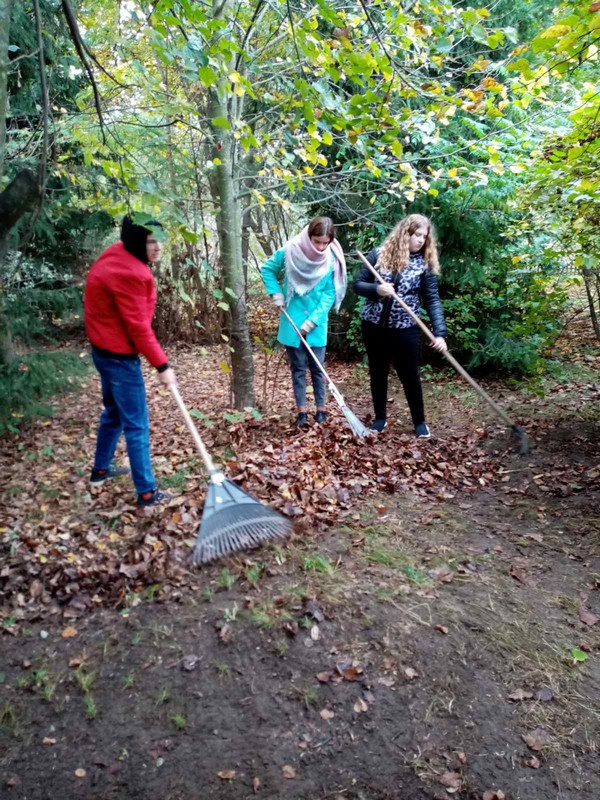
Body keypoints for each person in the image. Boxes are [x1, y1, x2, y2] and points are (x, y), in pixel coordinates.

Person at [84, 215, 177, 506]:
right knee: (136, 425)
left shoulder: (117, 252)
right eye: (150, 241)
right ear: (137, 242)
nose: (157, 247)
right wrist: (162, 365)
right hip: (119, 358)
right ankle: (147, 493)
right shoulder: (133, 273)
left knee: (113, 413)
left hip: (102, 350)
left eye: (158, 240)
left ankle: (100, 469)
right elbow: (138, 328)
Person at [353, 213, 447, 437]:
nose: (421, 240)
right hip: (374, 327)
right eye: (417, 235)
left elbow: (432, 299)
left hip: (405, 329)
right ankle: (380, 418)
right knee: (378, 372)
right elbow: (358, 284)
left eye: (424, 237)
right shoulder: (378, 254)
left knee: (409, 374)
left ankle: (419, 421)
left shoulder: (424, 264)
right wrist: (376, 290)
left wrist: (440, 333)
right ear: (405, 233)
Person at [261, 216, 347, 428]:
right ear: (309, 236)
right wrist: (277, 294)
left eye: (324, 242)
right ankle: (301, 412)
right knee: (298, 368)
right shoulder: (291, 250)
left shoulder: (332, 256)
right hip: (292, 320)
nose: (320, 246)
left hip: (316, 325)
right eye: (316, 241)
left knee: (318, 368)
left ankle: (321, 409)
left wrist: (313, 321)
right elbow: (267, 269)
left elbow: (329, 293)